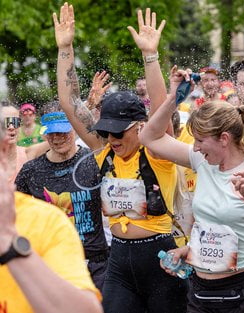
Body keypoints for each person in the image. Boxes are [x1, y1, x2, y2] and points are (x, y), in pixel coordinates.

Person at [54, 4, 186, 312]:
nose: (112, 139)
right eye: (107, 132)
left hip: (160, 258)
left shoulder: (156, 150)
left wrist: (150, 56)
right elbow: (70, 102)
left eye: (119, 133)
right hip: (120, 262)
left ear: (139, 127)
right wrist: (65, 48)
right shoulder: (104, 152)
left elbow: (161, 106)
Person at [139, 66, 244, 313]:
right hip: (201, 293)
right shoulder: (203, 162)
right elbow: (149, 138)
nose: (196, 148)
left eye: (201, 141)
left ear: (224, 138)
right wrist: (174, 99)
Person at [0, 108, 102, 313]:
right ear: (44, 135)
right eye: (52, 134)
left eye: (63, 132)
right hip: (49, 262)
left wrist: (9, 241)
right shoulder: (31, 171)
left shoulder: (92, 162)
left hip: (95, 258)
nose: (57, 138)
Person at [1, 105, 49, 182]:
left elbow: (56, 142)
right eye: (6, 122)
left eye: (15, 122)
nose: (11, 127)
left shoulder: (28, 154)